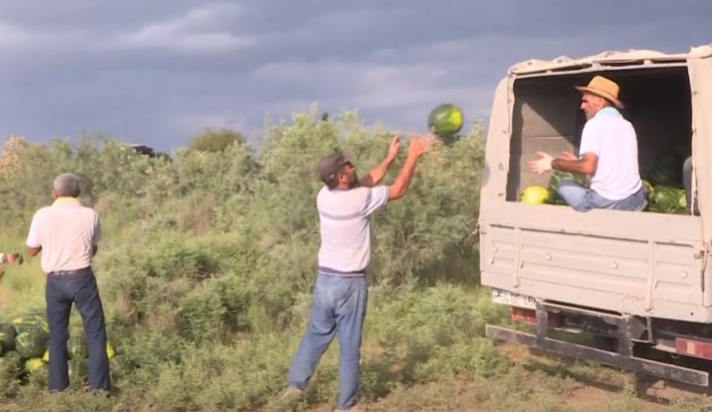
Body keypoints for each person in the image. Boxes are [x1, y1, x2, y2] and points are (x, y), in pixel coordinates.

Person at [277, 135, 435, 412]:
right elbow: (397, 189)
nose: (353, 166)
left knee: (316, 334)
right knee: (350, 345)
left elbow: (365, 182)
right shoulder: (359, 200)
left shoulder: (324, 196)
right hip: (350, 284)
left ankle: (294, 388)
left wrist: (389, 157)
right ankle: (346, 407)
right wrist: (413, 156)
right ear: (340, 176)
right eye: (348, 165)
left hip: (325, 280)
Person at [25, 173, 110, 393]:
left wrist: (51, 243)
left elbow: (31, 250)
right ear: (78, 192)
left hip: (55, 281)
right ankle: (99, 389)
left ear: (54, 192)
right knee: (95, 331)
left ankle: (57, 387)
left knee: (58, 334)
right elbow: (93, 248)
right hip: (82, 278)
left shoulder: (42, 215)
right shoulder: (90, 215)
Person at [528, 75, 647, 212]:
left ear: (600, 101)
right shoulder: (627, 125)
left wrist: (551, 163)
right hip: (636, 199)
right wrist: (577, 162)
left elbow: (588, 167)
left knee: (562, 185)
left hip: (609, 203)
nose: (581, 106)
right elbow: (614, 162)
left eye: (585, 101)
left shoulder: (594, 124)